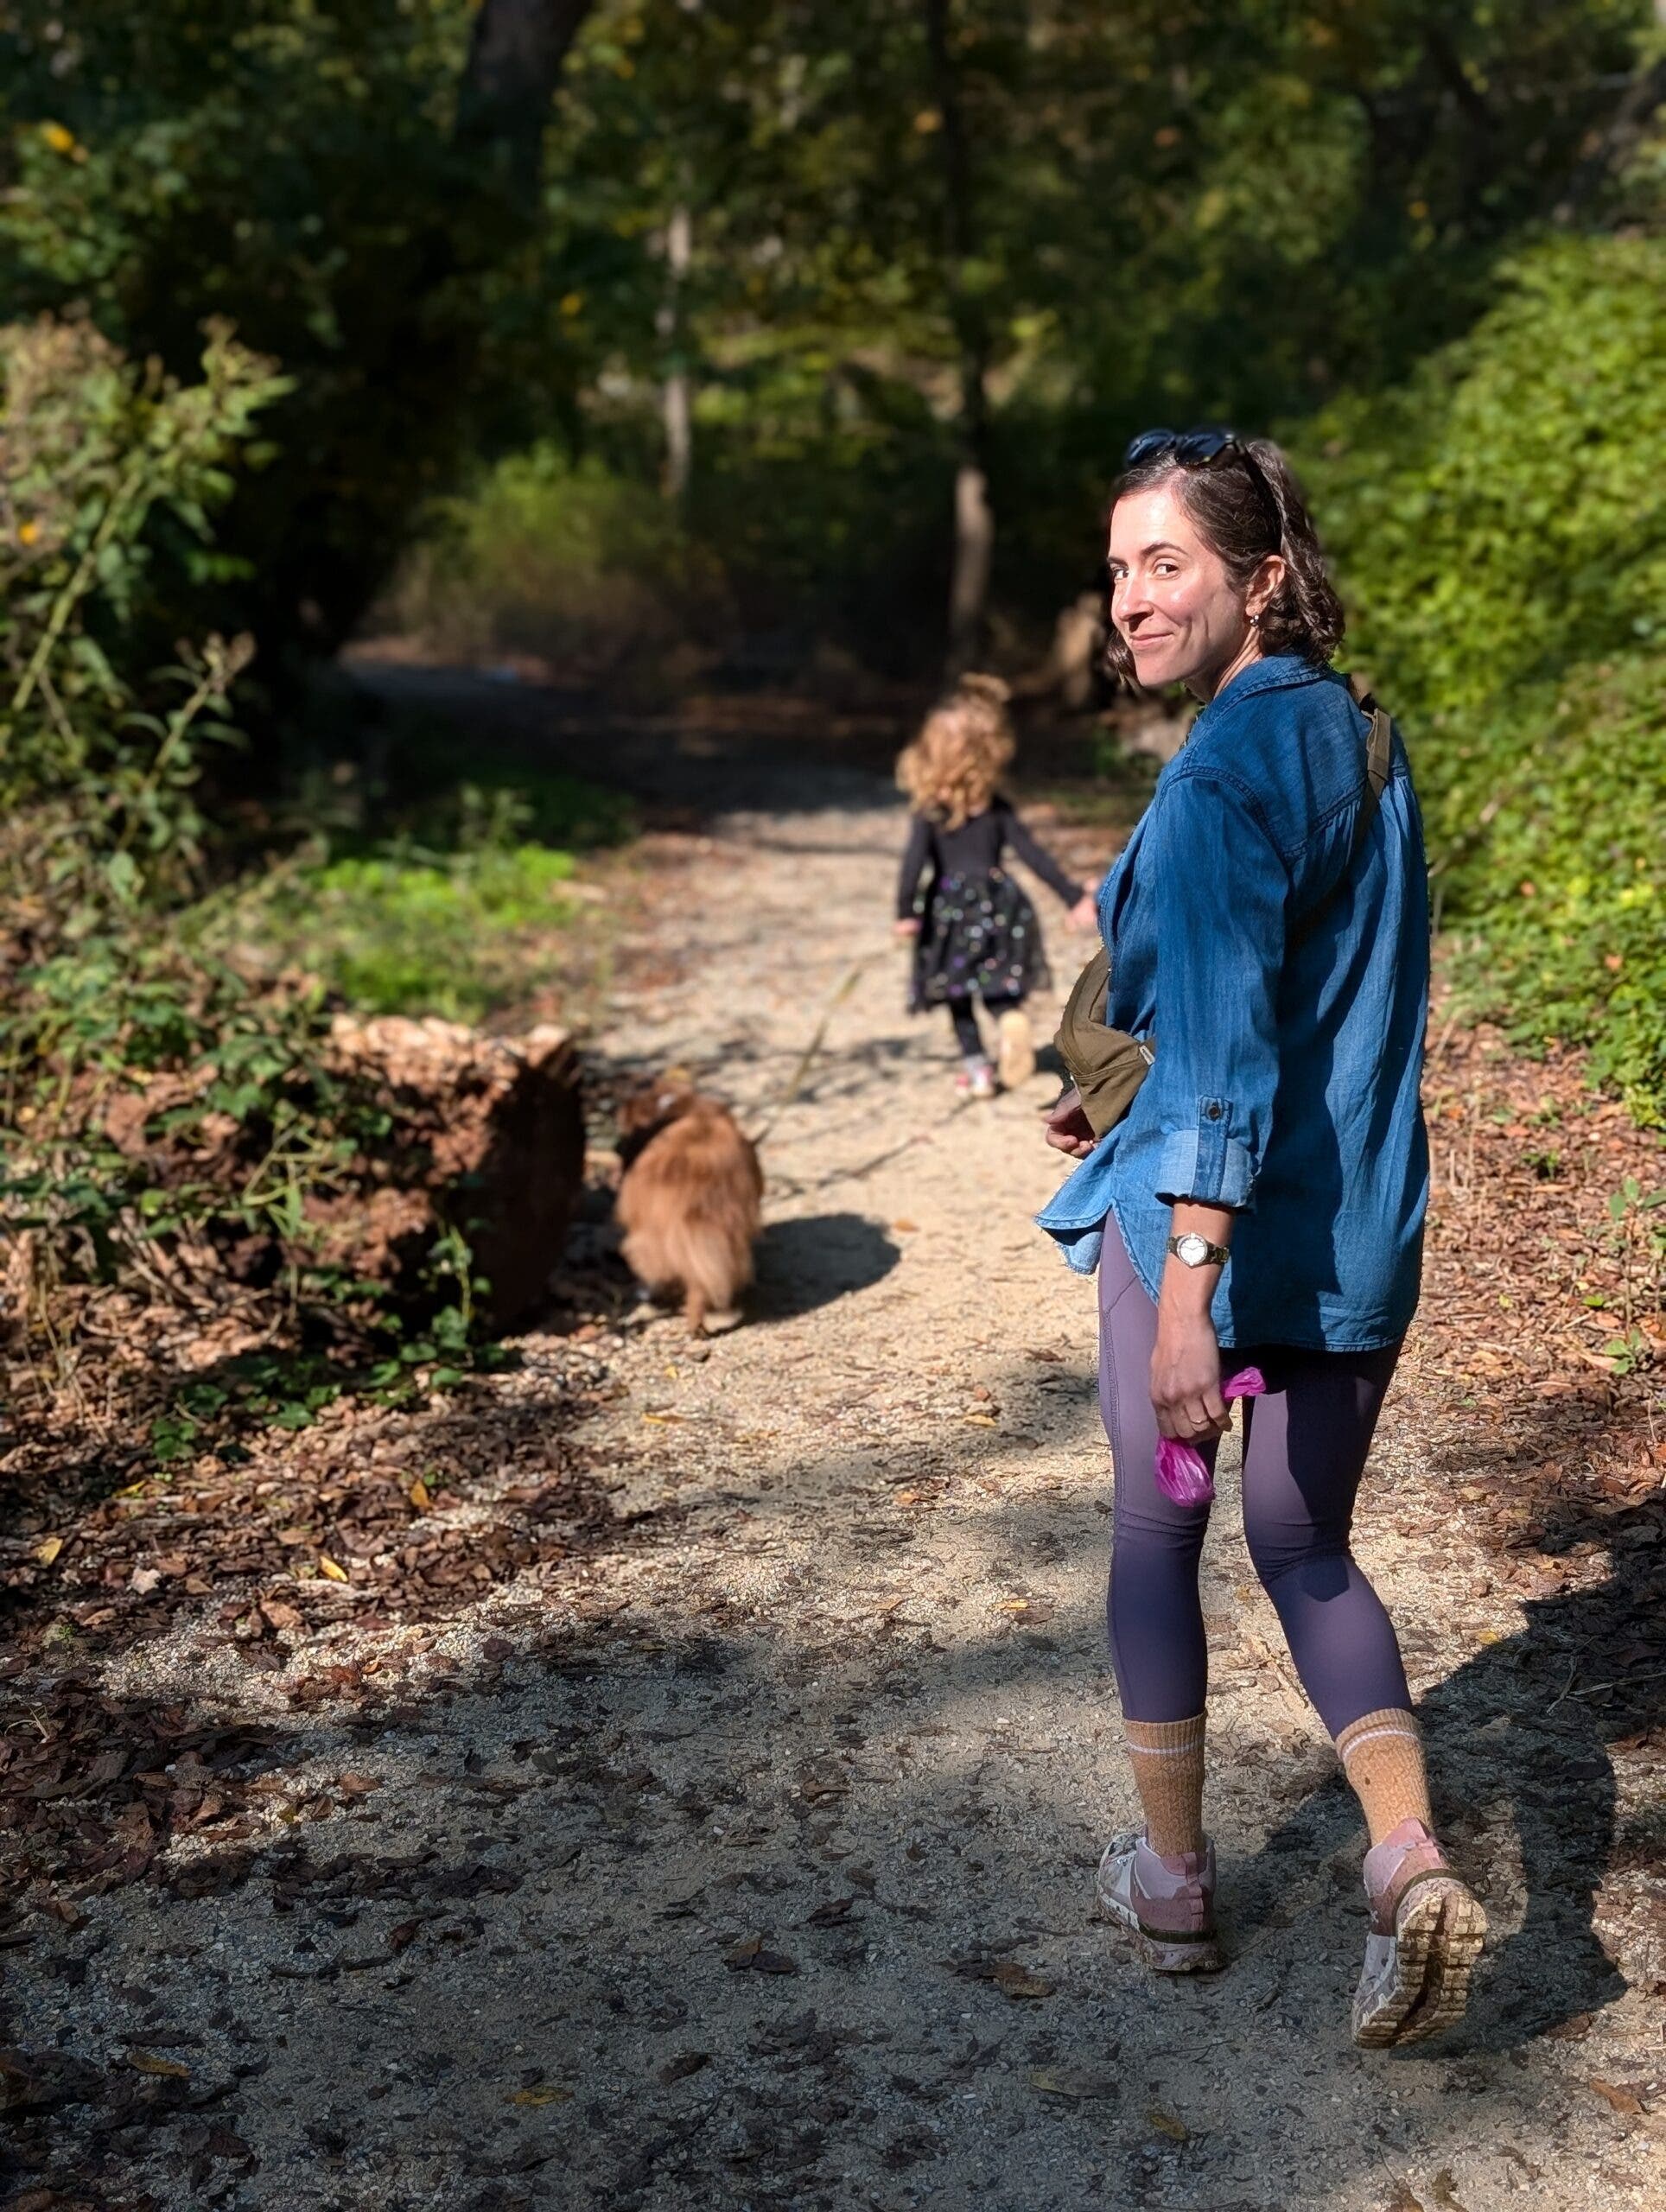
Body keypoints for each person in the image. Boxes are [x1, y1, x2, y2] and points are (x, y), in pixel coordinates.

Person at [1037, 428, 1485, 2048]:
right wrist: (1120, 1095)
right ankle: (1401, 1862)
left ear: (1261, 579)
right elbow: (1306, 1006)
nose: (1129, 600)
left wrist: (1182, 1298)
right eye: (1114, 568)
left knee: (1158, 1534)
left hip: (1202, 1245)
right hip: (1352, 1228)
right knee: (1302, 1550)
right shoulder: (1358, 739)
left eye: (1165, 564)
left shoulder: (1221, 771)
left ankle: (1169, 1884)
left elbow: (1227, 1056)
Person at [895, 674, 1096, 1097]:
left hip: (948, 912)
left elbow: (914, 865)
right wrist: (1073, 895)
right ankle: (1009, 1019)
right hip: (1000, 902)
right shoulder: (998, 808)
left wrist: (906, 913)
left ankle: (979, 1070)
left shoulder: (931, 811)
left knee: (956, 993)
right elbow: (1033, 855)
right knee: (995, 982)